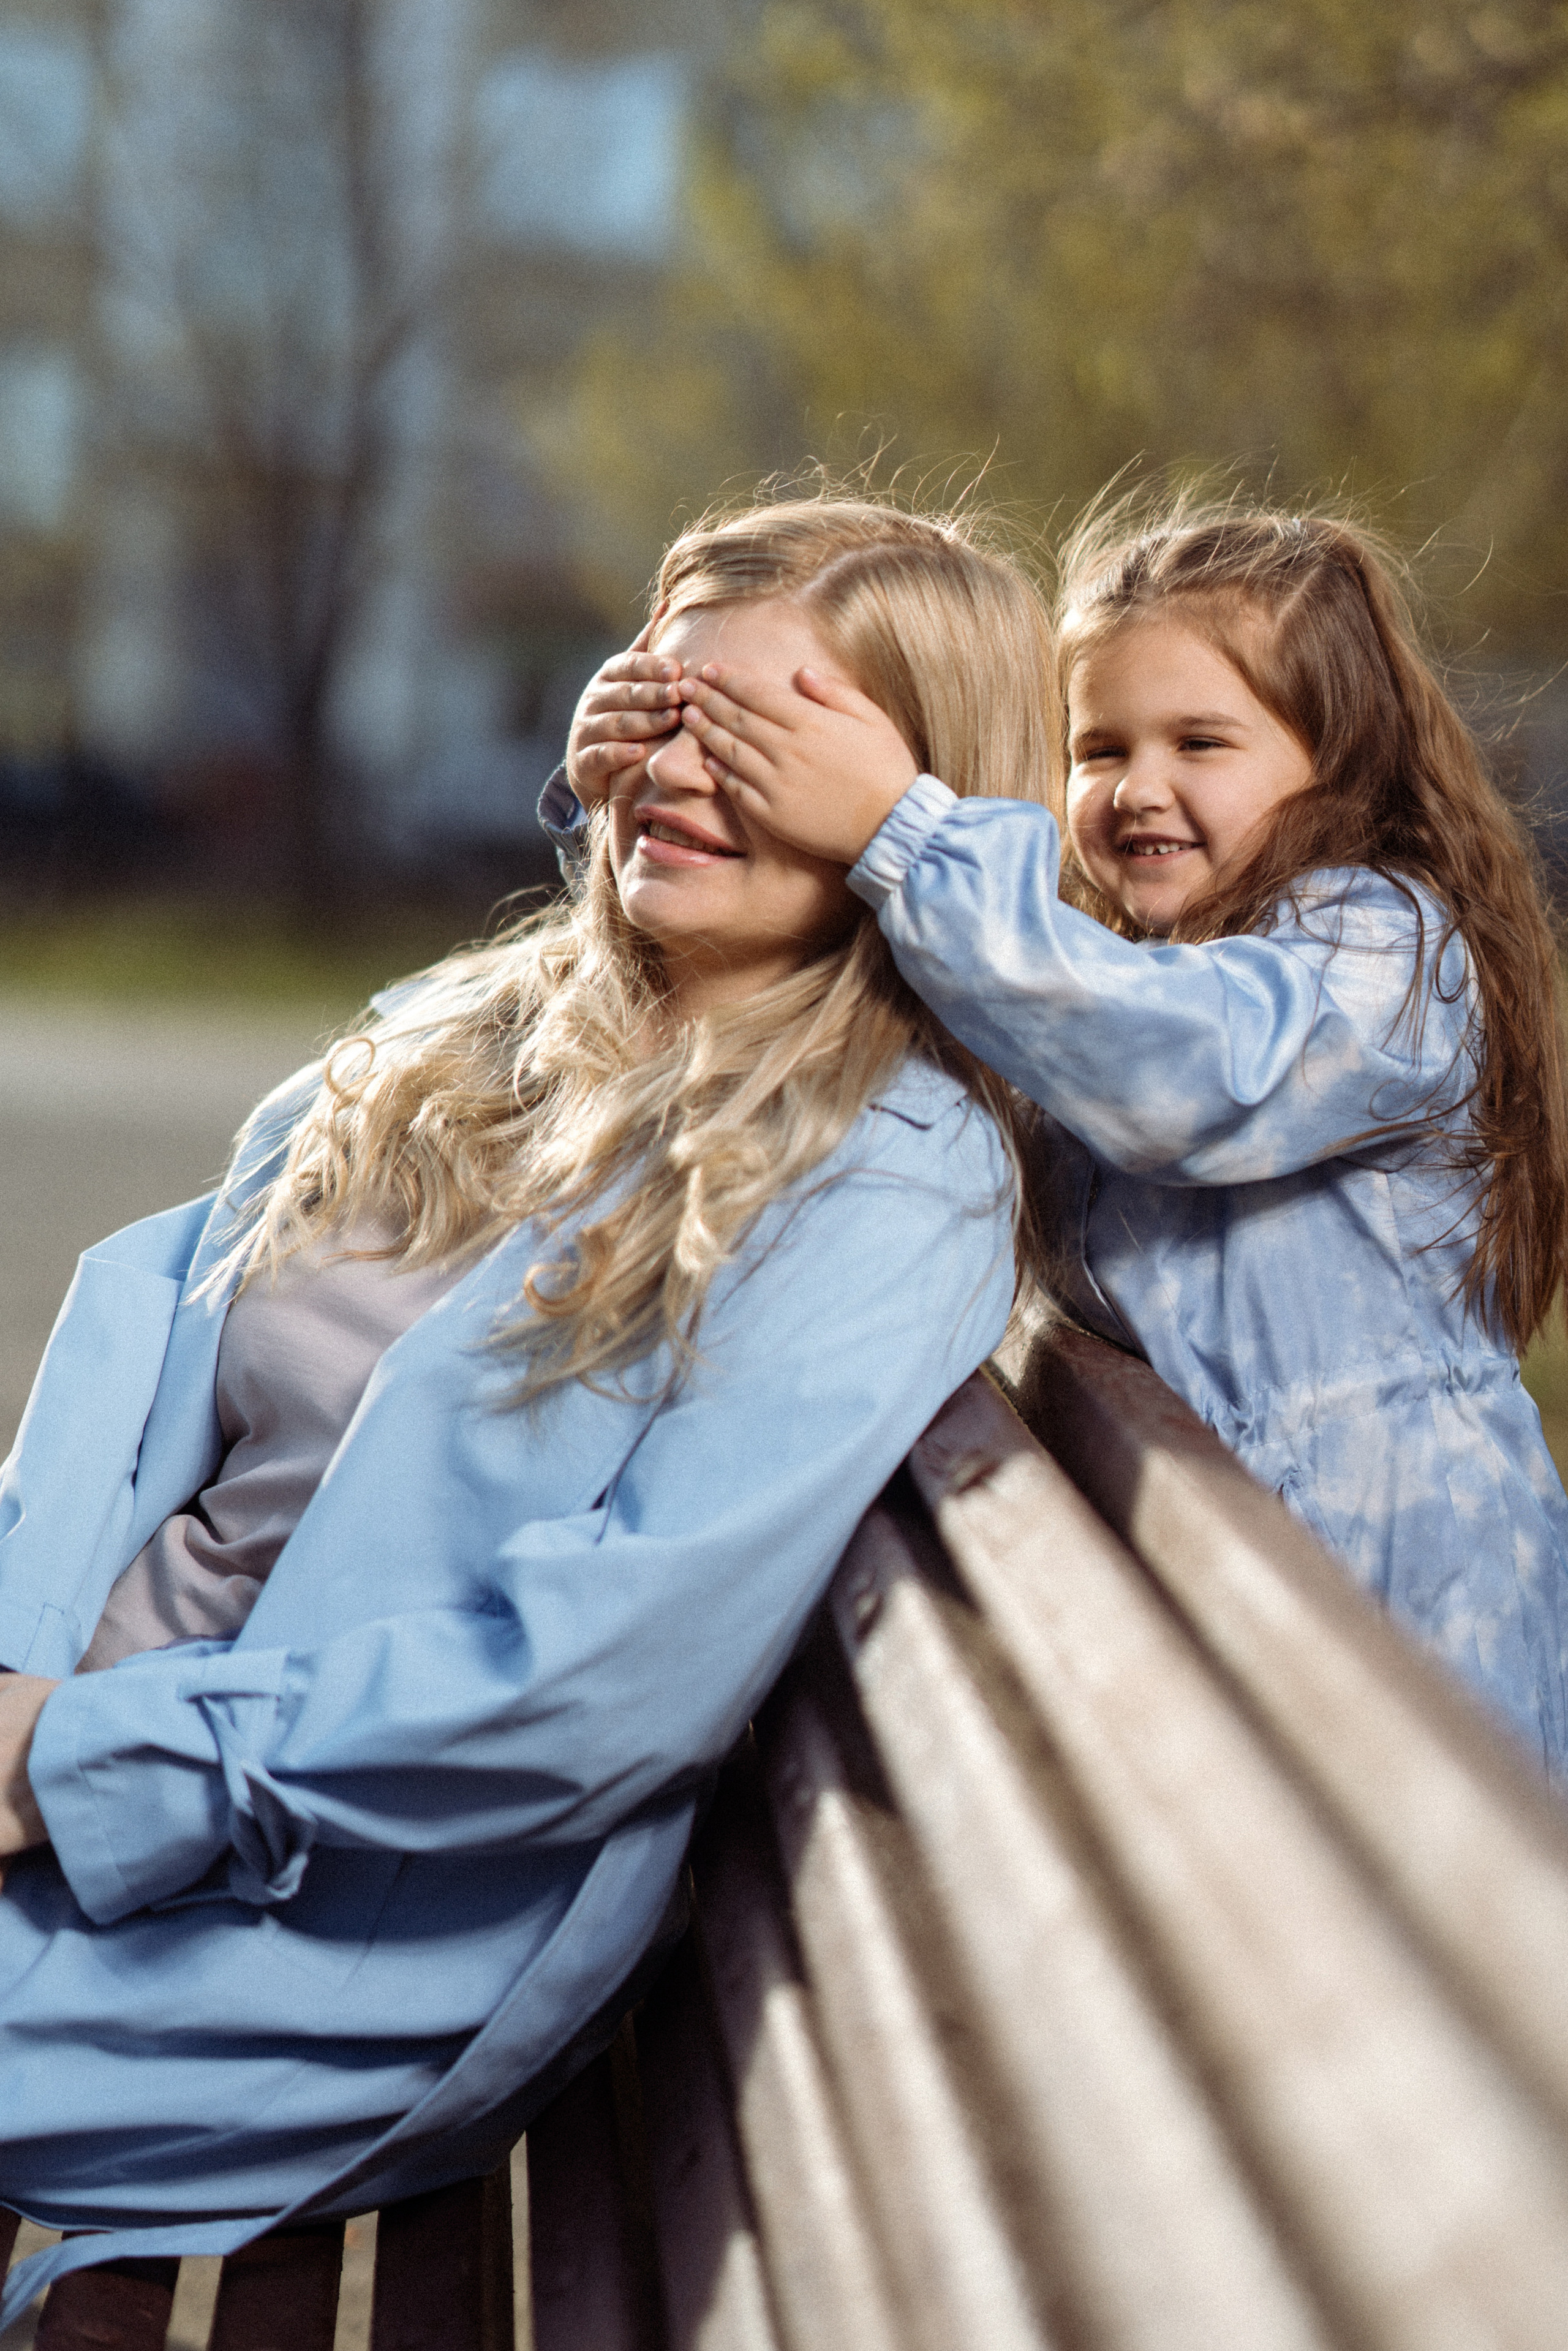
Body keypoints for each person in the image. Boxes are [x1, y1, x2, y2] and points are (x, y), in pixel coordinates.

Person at [0, 494, 1047, 2322]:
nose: (682, 766)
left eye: (769, 732)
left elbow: (592, 1685)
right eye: (658, 703)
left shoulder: (894, 1175)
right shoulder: (471, 1035)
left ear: (918, 792)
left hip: (292, 1940)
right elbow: (133, 1384)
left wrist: (61, 1763)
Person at [562, 495, 1568, 1779]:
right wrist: (612, 798)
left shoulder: (1385, 951)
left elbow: (1181, 1066)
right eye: (1098, 748)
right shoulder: (1096, 967)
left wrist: (894, 827)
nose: (1137, 788)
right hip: (1210, 1616)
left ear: (1342, 758)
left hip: (1403, 1609)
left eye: (1199, 740)